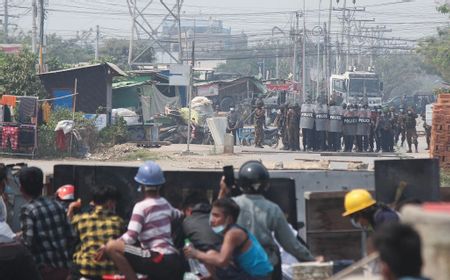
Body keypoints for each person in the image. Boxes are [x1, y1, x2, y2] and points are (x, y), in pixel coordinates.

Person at [219, 161, 316, 280]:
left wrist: (223, 191)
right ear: (266, 185)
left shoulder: (231, 205)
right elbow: (290, 244)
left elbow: (214, 222)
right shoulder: (273, 209)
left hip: (238, 267)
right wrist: (312, 260)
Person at [104, 161, 184, 280]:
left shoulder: (141, 207)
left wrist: (109, 245)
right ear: (160, 186)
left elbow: (131, 237)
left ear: (141, 187)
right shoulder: (165, 204)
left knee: (111, 246)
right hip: (173, 259)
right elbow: (179, 215)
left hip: (157, 257)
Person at [184, 198, 273, 280]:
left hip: (258, 277)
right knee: (211, 253)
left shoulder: (232, 234)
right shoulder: (230, 231)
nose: (211, 220)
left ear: (229, 219)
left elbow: (222, 261)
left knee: (208, 255)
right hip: (252, 274)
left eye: (216, 216)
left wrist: (196, 253)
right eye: (212, 215)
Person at [19, 166, 75, 280]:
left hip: (43, 271)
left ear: (21, 188)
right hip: (64, 269)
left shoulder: (28, 210)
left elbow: (27, 243)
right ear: (42, 186)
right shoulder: (58, 205)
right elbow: (72, 236)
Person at [71, 184, 124, 280]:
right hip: (110, 271)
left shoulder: (80, 219)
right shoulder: (118, 221)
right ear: (109, 203)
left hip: (86, 270)